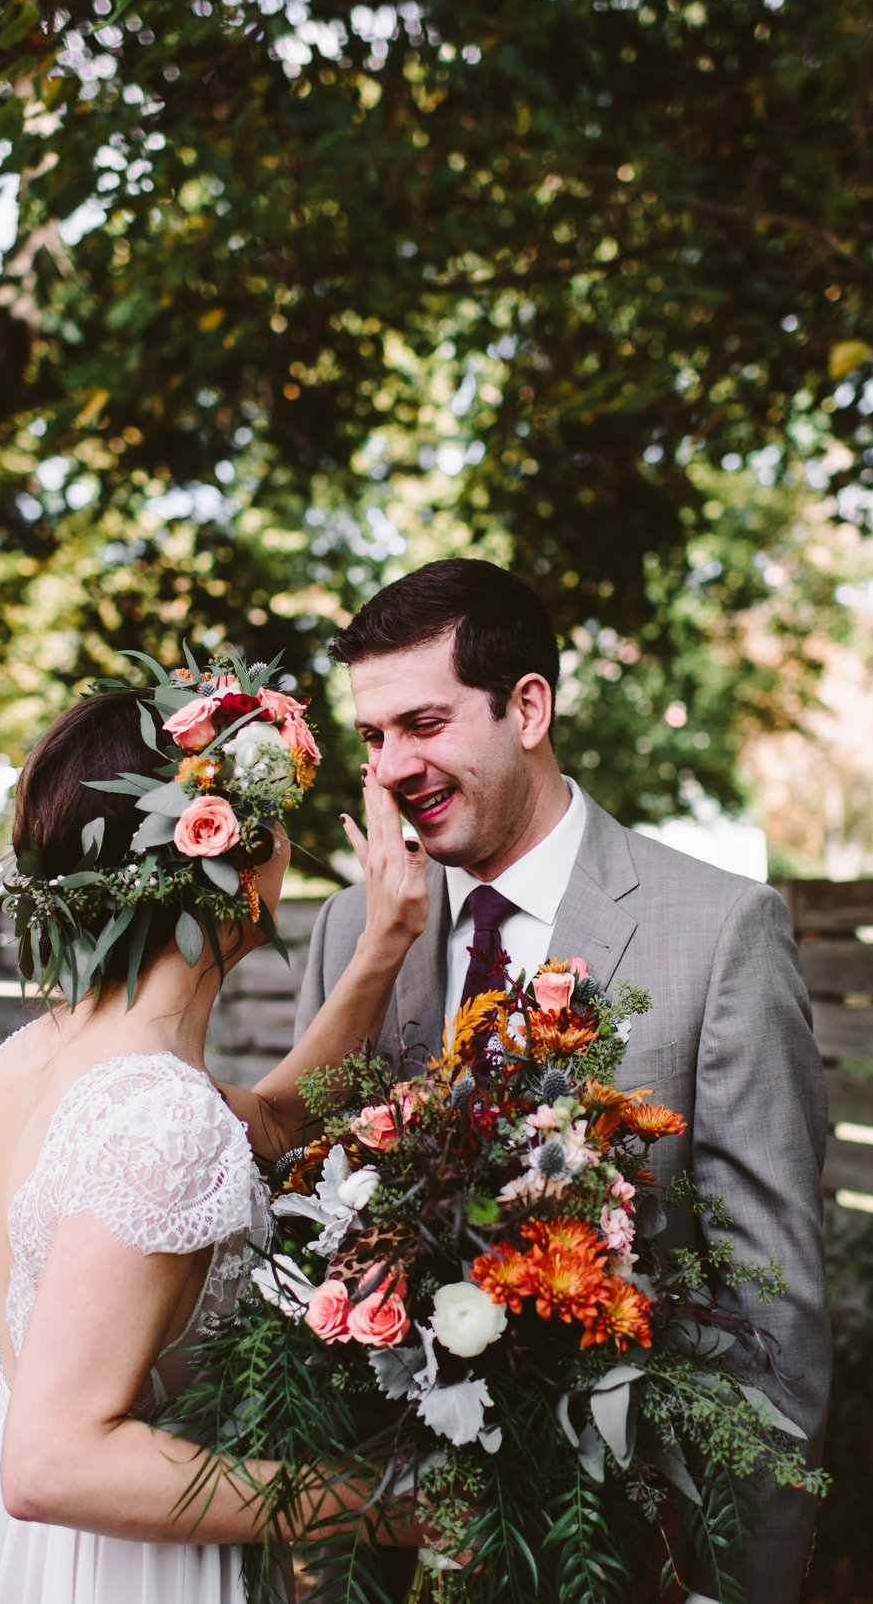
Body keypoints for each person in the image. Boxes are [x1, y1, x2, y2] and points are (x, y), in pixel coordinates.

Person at [293, 559, 831, 1604]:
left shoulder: (719, 932)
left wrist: (740, 1586)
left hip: (621, 1550)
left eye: (424, 723)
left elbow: (774, 1297)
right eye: (372, 737)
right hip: (379, 1545)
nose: (394, 766)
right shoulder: (349, 929)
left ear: (527, 705)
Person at [0, 679, 429, 1604]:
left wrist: (386, 940)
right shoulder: (160, 1114)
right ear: (232, 855)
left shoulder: (39, 1056)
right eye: (277, 820)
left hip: (21, 1555)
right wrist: (387, 1500)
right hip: (129, 1557)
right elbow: (52, 1464)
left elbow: (279, 1123)